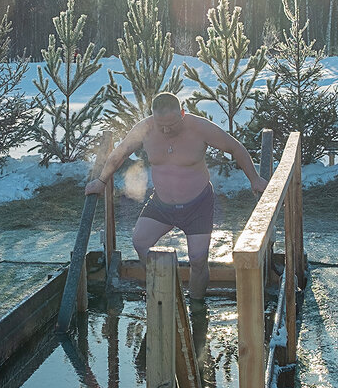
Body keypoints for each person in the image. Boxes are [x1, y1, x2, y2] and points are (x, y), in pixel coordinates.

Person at [84, 92, 267, 302]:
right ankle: (167, 291)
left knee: (198, 261)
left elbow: (234, 147)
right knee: (140, 242)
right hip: (161, 204)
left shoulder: (199, 128)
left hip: (197, 205)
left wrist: (255, 179)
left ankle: (196, 306)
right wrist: (101, 181)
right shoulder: (145, 129)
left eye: (171, 124)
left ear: (182, 113)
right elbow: (120, 153)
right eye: (161, 124)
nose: (166, 129)